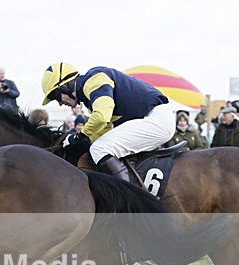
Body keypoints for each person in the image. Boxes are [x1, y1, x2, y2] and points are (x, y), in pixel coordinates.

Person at [40, 62, 175, 181]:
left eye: (56, 96)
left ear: (66, 85)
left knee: (100, 149)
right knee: (98, 147)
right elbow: (105, 129)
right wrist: (83, 141)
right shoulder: (90, 95)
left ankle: (128, 196)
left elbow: (101, 117)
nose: (59, 103)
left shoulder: (94, 79)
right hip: (153, 118)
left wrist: (79, 136)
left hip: (156, 119)